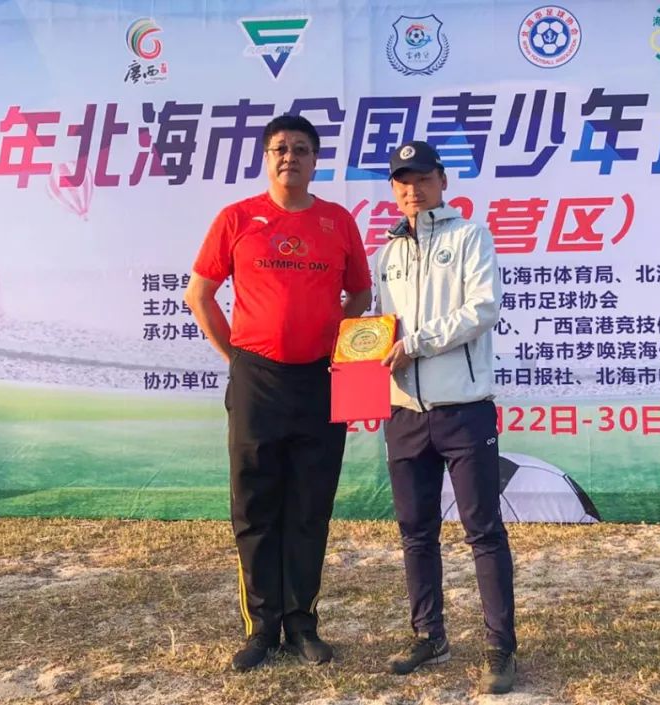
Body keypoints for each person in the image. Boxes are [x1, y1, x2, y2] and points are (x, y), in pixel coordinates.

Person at [184, 114, 372, 672]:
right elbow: (199, 295)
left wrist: (335, 342)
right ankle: (262, 627)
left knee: (311, 506)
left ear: (316, 160)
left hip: (322, 378)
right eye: (280, 149)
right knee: (255, 505)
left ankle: (302, 623)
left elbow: (360, 295)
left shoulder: (338, 222)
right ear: (267, 159)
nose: (290, 157)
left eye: (301, 149)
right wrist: (237, 359)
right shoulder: (237, 218)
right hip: (256, 380)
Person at [375, 140, 517, 694]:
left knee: (483, 531)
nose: (412, 189)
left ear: (442, 180)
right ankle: (429, 635)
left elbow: (483, 309)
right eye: (402, 181)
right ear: (393, 189)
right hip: (404, 413)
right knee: (416, 532)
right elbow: (381, 329)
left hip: (464, 411)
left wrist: (416, 343)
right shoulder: (387, 253)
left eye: (422, 178)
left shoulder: (470, 236)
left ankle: (500, 647)